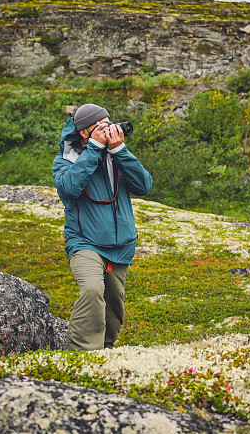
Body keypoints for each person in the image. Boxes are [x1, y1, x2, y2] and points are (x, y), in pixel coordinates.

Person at [52, 103, 153, 350]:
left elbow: (144, 185)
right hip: (85, 241)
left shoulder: (117, 154)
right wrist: (94, 150)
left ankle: (105, 352)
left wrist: (120, 151)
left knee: (114, 306)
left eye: (110, 123)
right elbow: (69, 188)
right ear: (85, 133)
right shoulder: (66, 160)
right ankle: (80, 354)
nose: (108, 129)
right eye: (101, 126)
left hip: (121, 245)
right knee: (92, 290)